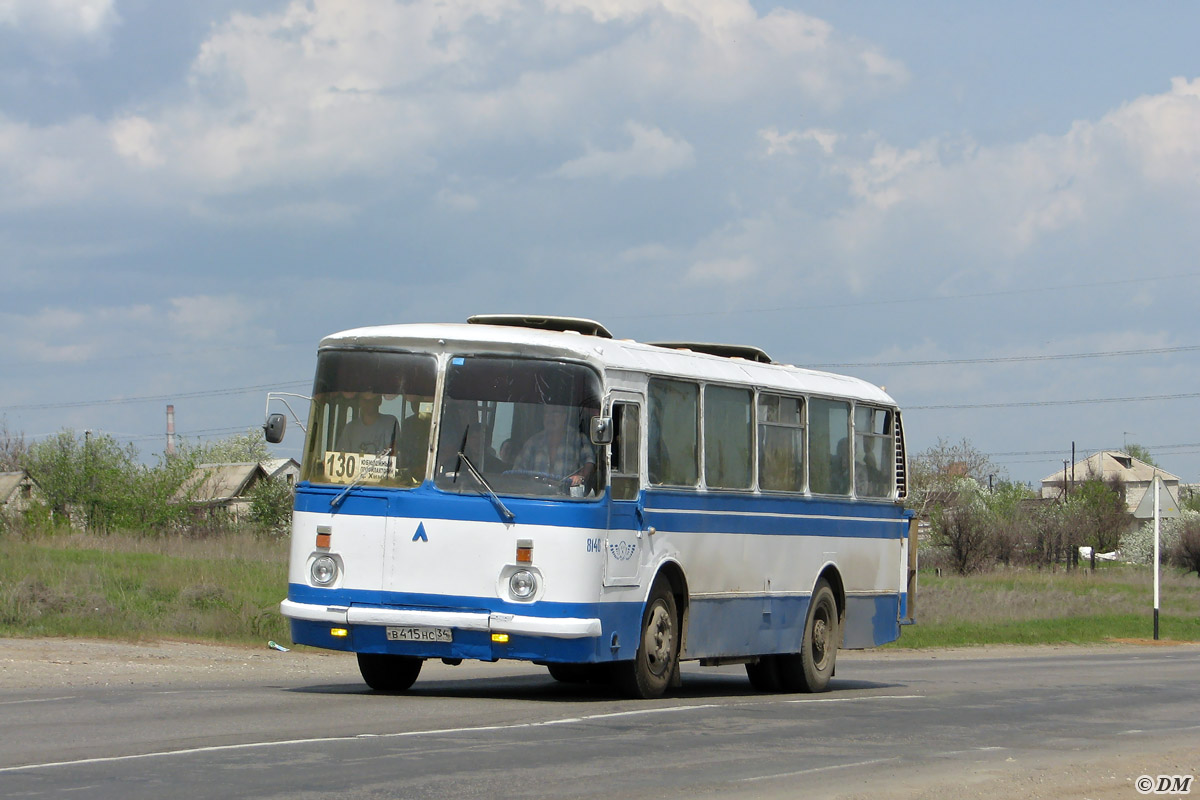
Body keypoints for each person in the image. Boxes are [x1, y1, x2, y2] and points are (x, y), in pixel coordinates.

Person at [513, 404, 596, 489]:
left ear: (564, 416)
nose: (550, 417)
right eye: (546, 413)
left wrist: (579, 476)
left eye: (555, 413)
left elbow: (590, 461)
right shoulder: (533, 442)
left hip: (567, 497)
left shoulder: (578, 439)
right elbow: (517, 470)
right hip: (536, 497)